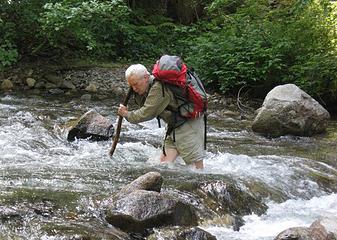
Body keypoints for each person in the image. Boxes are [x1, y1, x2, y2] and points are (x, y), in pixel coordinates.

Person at [118, 64, 205, 169]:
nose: (134, 88)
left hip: (189, 124)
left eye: (136, 84)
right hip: (173, 124)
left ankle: (205, 185)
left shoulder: (158, 88)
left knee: (196, 167)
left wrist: (127, 114)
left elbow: (146, 113)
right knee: (163, 163)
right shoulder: (149, 86)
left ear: (146, 77)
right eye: (131, 85)